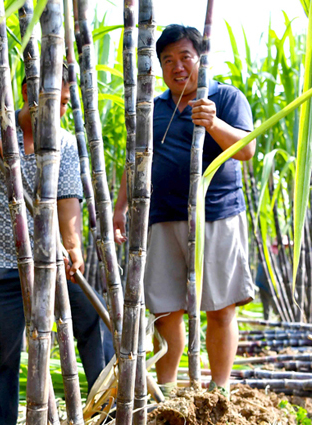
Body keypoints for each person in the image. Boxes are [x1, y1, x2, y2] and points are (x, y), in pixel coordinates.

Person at [0, 69, 114, 425]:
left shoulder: (65, 144)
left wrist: (72, 248)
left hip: (47, 260)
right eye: (54, 101)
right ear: (27, 92)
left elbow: (68, 202)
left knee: (91, 323)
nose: (61, 111)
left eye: (66, 105)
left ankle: (106, 415)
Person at [113, 24, 256, 397]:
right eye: (168, 60)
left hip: (217, 216)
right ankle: (168, 390)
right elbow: (136, 161)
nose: (177, 67)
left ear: (201, 60)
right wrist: (119, 208)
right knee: (165, 309)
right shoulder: (154, 108)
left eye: (185, 57)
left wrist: (213, 122)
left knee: (221, 307)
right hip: (162, 218)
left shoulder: (225, 98)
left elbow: (245, 149)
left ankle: (219, 390)